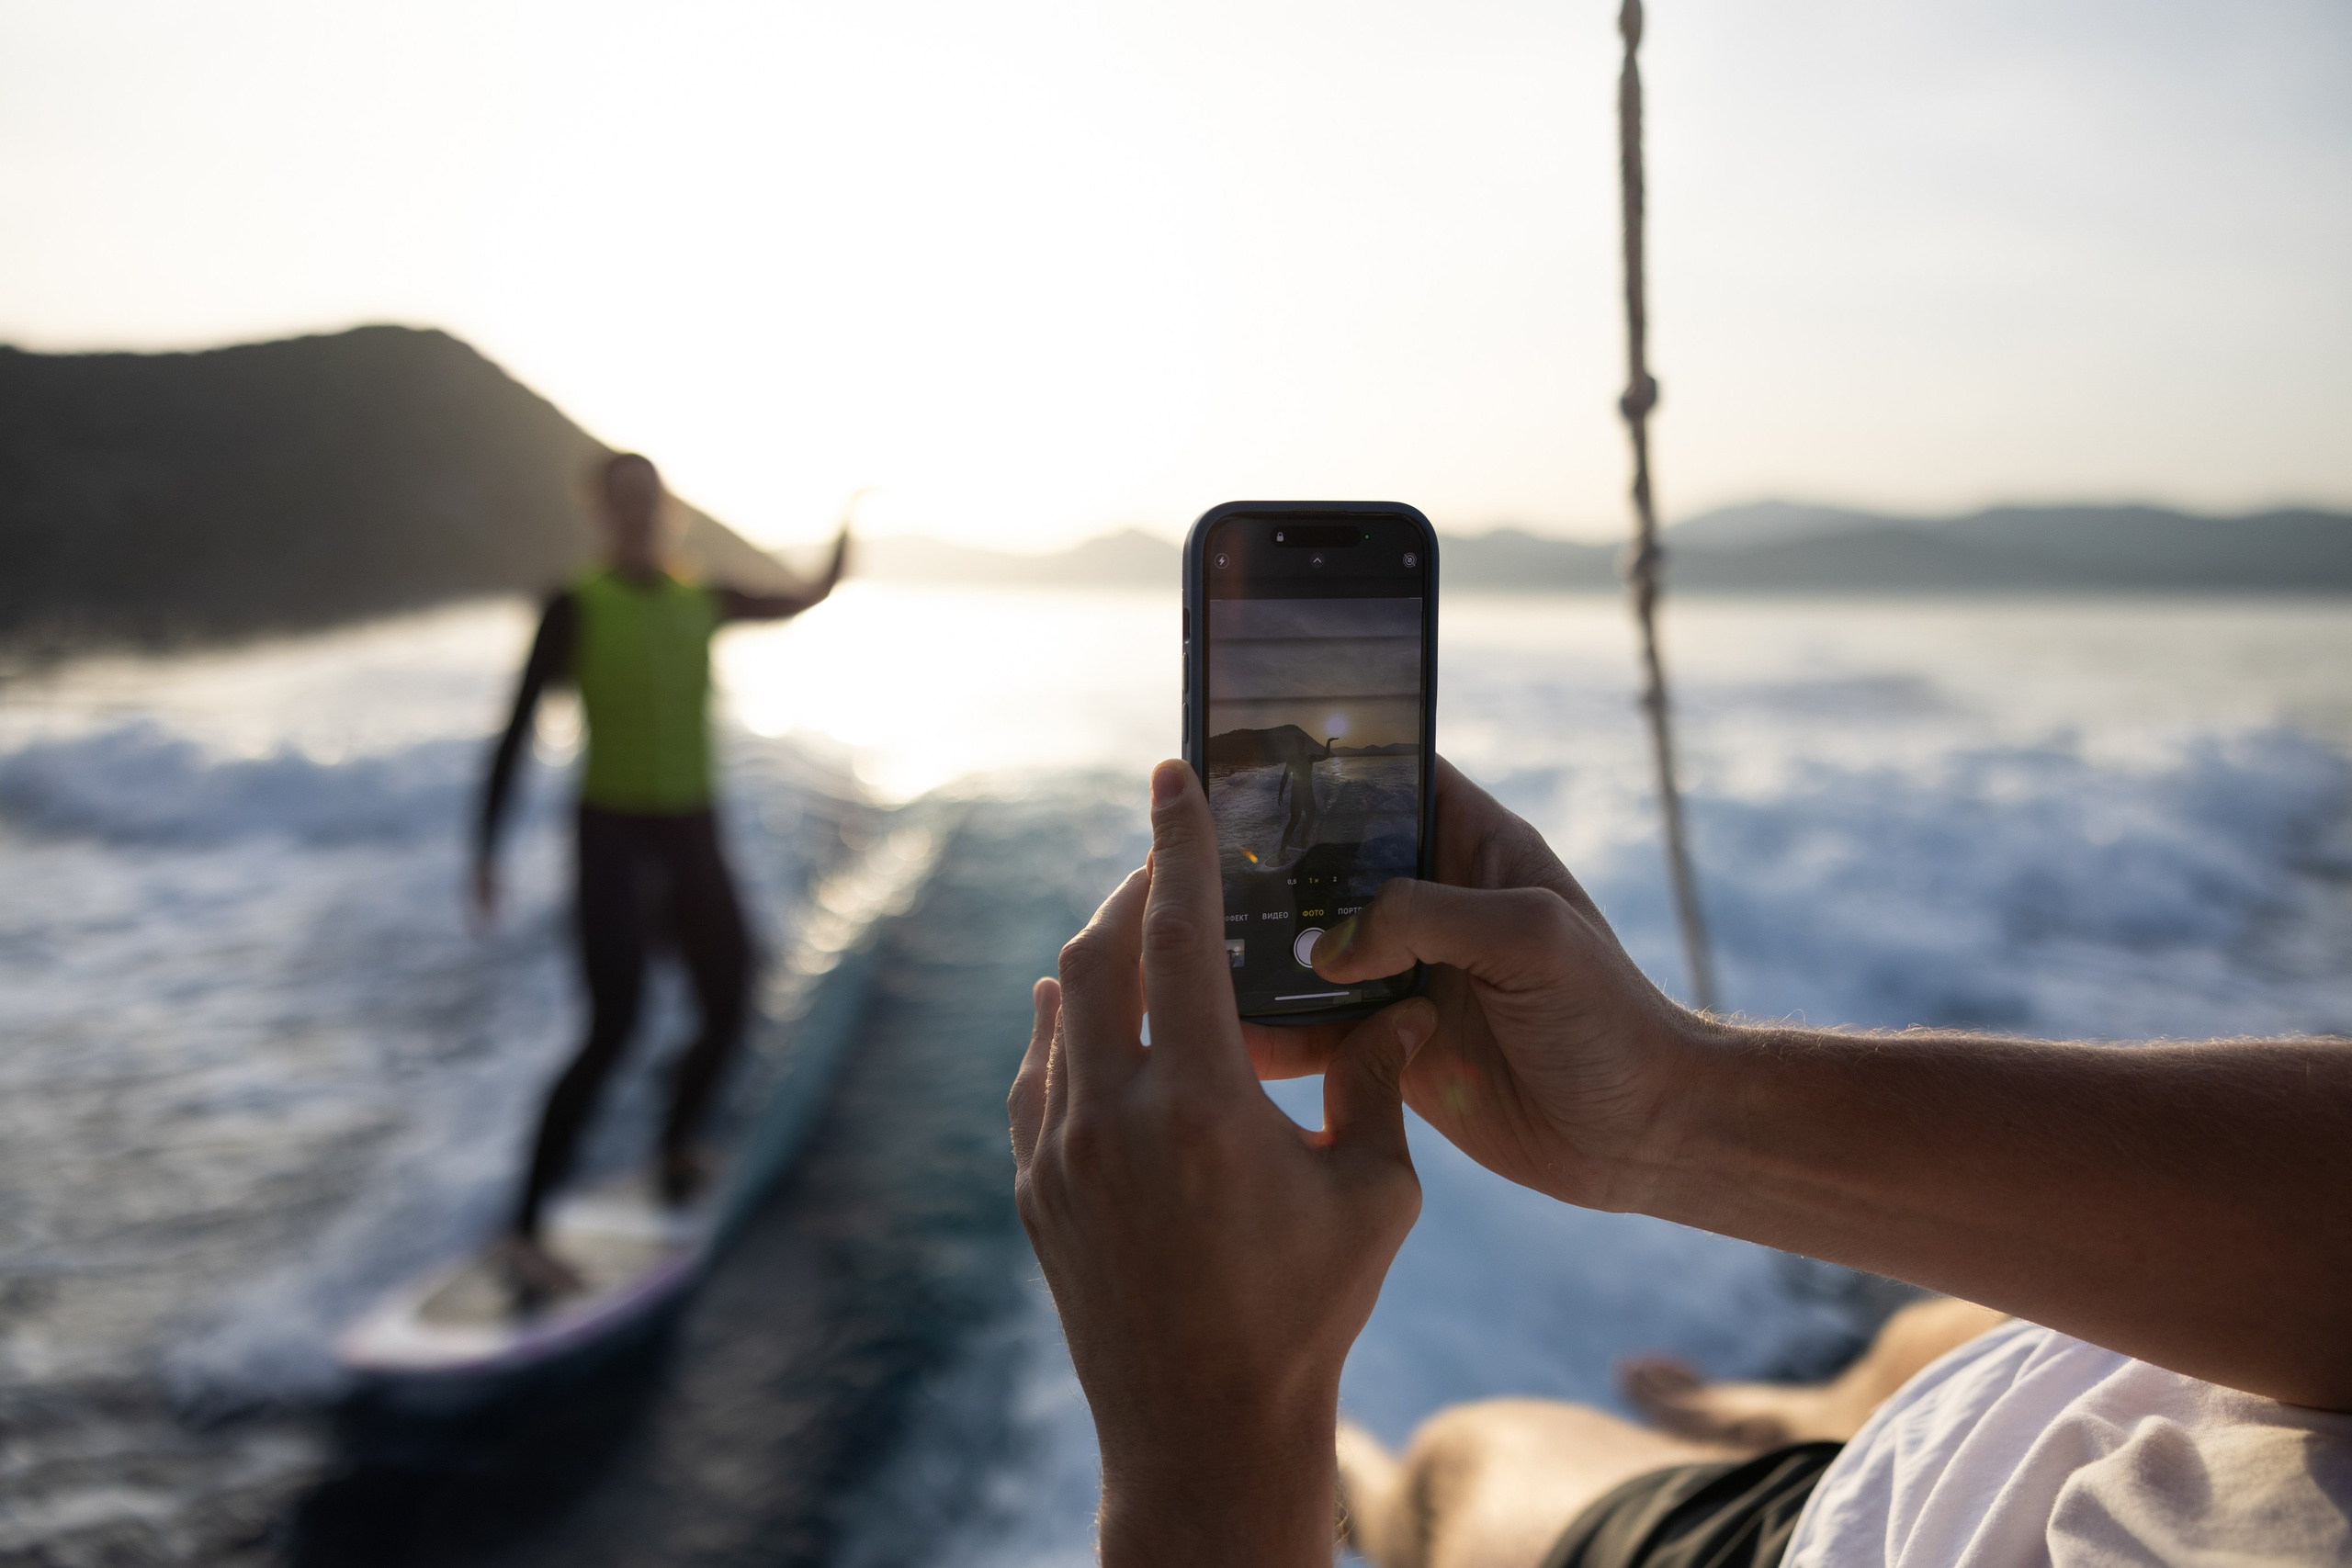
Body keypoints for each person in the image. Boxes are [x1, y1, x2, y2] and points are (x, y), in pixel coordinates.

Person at [1009, 756, 2352, 1568]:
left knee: (1471, 1458)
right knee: (1935, 1349)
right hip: (2166, 1386)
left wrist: (1211, 1444)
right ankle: (1792, 1408)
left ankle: (1352, 1468)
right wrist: (1668, 1104)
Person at [474, 452, 848, 1300]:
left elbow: (807, 597)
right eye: (622, 502)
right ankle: (525, 1227)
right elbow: (518, 726)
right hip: (609, 833)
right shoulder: (573, 607)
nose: (639, 514)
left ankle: (675, 1141)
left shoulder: (701, 598)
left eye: (651, 500)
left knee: (732, 994)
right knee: (615, 1024)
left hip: (691, 827)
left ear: (669, 509)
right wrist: (487, 850)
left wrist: (846, 518)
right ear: (599, 511)